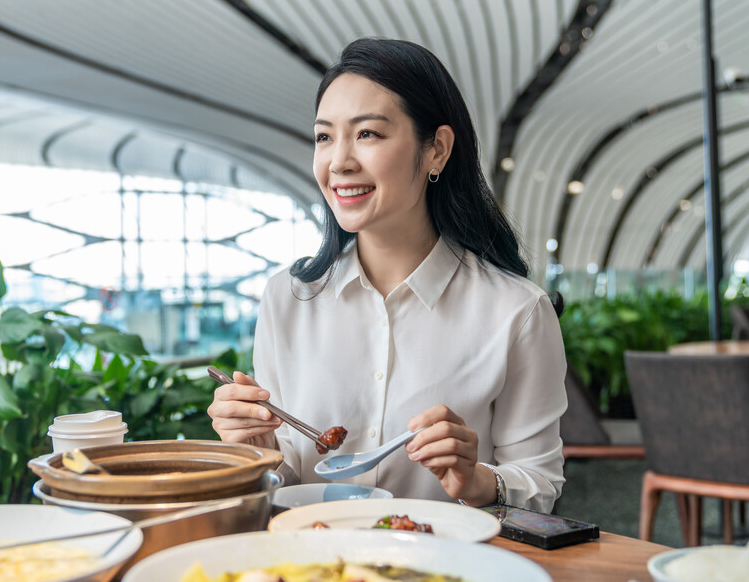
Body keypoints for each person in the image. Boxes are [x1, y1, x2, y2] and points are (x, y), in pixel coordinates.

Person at [208, 38, 566, 512]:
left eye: (368, 134)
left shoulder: (516, 310)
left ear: (437, 149)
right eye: (324, 136)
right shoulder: (289, 298)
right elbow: (288, 480)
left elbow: (539, 483)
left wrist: (477, 481)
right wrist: (258, 450)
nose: (339, 162)